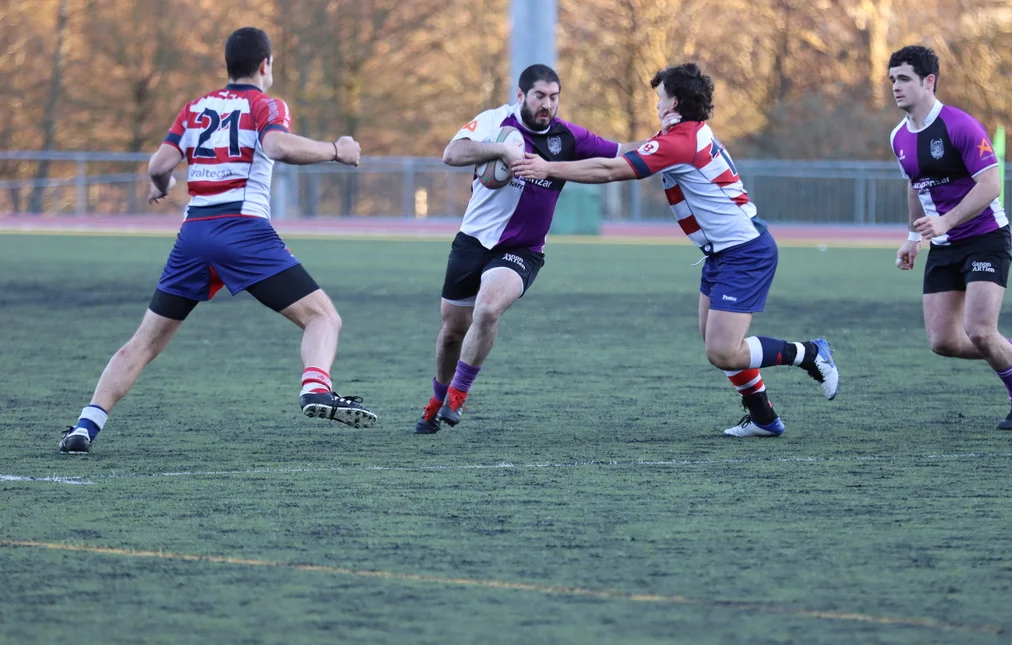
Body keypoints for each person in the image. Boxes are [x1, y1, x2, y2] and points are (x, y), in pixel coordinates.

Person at [59, 27, 376, 454]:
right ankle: (316, 387)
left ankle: (86, 424)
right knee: (323, 318)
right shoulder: (265, 104)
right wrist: (336, 150)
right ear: (265, 64)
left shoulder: (195, 108)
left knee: (145, 342)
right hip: (242, 232)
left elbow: (159, 165)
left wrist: (163, 185)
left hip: (193, 236)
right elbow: (278, 146)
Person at [512, 62, 839, 437]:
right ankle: (763, 417)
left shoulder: (679, 142)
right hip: (722, 252)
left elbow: (610, 171)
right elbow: (626, 155)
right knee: (716, 343)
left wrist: (549, 168)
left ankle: (811, 353)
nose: (656, 104)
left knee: (722, 351)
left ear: (676, 103)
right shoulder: (683, 133)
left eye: (660, 97)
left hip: (745, 251)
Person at [414, 64, 651, 433]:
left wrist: (672, 143)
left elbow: (623, 152)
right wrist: (502, 151)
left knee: (487, 308)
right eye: (540, 96)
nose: (547, 104)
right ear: (521, 95)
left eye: (554, 97)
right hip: (473, 241)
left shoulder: (568, 137)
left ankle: (458, 395)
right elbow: (453, 153)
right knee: (452, 332)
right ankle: (436, 400)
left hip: (522, 249)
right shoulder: (496, 121)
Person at [889, 45, 1012, 430]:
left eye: (904, 79)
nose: (895, 87)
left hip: (985, 238)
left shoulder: (959, 125)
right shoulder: (898, 137)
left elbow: (991, 184)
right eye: (892, 80)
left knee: (979, 330)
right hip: (943, 248)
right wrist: (913, 236)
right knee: (943, 342)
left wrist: (946, 221)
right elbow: (915, 186)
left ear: (929, 82)